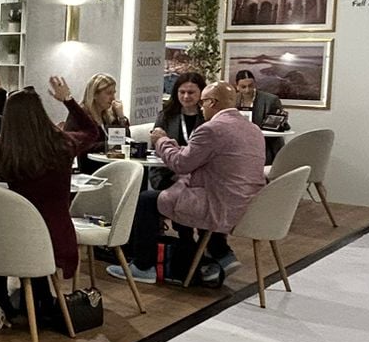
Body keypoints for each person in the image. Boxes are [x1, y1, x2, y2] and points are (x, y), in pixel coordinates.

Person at [109, 82, 265, 287]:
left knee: (145, 201)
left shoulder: (212, 129)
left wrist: (161, 141)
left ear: (212, 102)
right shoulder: (253, 129)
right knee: (176, 192)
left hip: (217, 203)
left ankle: (143, 266)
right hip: (247, 204)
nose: (201, 107)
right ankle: (215, 253)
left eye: (202, 102)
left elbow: (180, 164)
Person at [0, 89, 77, 325]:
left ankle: (1, 298)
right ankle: (41, 300)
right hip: (55, 233)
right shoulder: (62, 145)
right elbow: (91, 131)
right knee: (26, 231)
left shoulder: (3, 147)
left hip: (19, 237)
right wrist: (68, 101)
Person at [48, 73, 126, 151]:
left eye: (114, 93)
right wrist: (109, 145)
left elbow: (124, 142)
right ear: (94, 94)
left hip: (108, 158)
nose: (113, 98)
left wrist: (121, 117)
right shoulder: (80, 114)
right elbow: (80, 147)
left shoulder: (109, 115)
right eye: (109, 93)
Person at [155, 72, 207, 145]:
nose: (186, 96)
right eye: (182, 92)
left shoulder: (209, 116)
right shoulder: (166, 115)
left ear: (202, 93)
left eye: (191, 92)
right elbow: (155, 145)